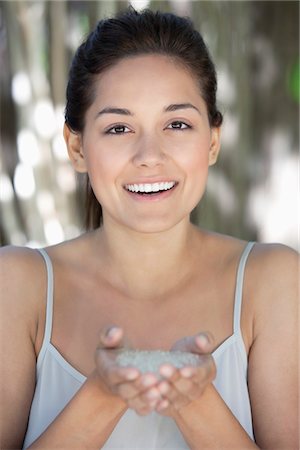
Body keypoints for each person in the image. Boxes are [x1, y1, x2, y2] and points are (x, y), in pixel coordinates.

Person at [0, 7, 298, 450]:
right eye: (119, 128)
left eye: (176, 124)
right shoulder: (16, 284)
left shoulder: (274, 280)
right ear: (77, 148)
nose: (149, 155)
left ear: (212, 141)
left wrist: (196, 403)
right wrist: (101, 395)